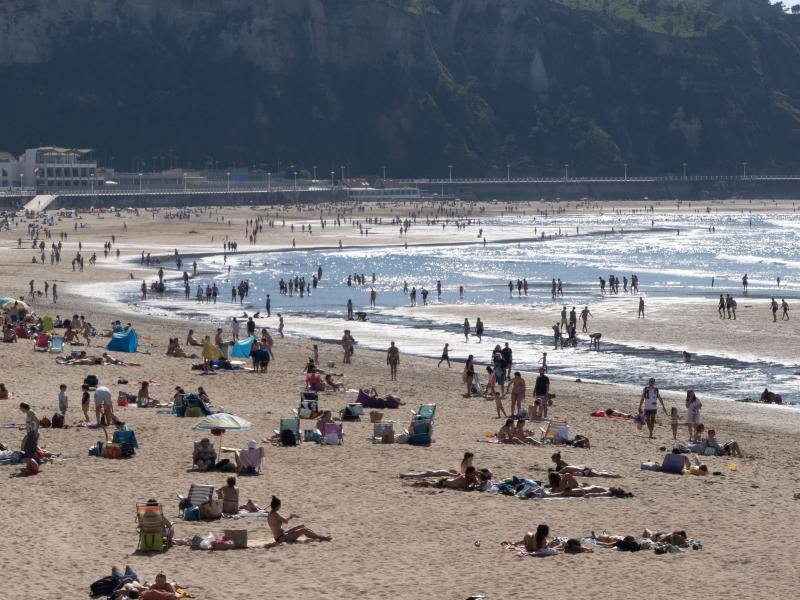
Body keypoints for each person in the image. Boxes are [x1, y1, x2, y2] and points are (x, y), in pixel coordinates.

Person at [267, 496, 332, 542]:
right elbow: (285, 521)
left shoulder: (271, 513)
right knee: (303, 530)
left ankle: (317, 535)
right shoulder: (275, 514)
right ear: (278, 506)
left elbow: (281, 521)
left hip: (282, 535)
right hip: (281, 538)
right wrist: (290, 516)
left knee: (302, 526)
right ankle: (322, 537)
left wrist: (290, 517)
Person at [400, 452, 474, 479]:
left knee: (428, 474)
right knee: (428, 474)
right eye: (471, 458)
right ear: (469, 458)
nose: (472, 459)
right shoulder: (467, 463)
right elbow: (466, 473)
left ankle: (406, 475)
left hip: (454, 473)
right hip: (454, 474)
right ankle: (406, 475)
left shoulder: (465, 462)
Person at [550, 452, 619, 477]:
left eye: (553, 457)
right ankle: (610, 474)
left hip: (582, 471)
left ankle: (614, 475)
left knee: (599, 475)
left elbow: (558, 473)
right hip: (582, 469)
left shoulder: (564, 468)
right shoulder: (562, 464)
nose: (551, 458)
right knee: (599, 473)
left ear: (557, 458)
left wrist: (554, 472)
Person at [19, 402, 40, 474]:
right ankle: (29, 467)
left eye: (21, 408)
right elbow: (31, 424)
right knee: (30, 450)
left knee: (28, 450)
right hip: (30, 433)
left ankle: (37, 463)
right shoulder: (29, 412)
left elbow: (37, 421)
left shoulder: (30, 412)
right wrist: (24, 428)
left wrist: (36, 431)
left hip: (32, 434)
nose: (20, 410)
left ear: (23, 407)